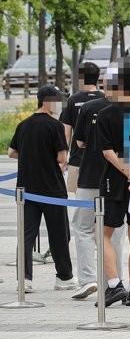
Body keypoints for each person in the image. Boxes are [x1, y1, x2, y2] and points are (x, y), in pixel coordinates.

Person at [7, 85, 76, 292]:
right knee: (59, 234)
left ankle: (24, 279)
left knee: (26, 234)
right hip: (51, 188)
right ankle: (64, 277)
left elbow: (11, 152)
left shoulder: (23, 124)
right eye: (57, 100)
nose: (60, 104)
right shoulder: (54, 126)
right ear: (46, 101)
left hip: (26, 187)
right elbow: (62, 157)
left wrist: (31, 157)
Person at [70, 68, 128, 302]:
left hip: (90, 175)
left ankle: (88, 279)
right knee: (115, 233)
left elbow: (81, 141)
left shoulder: (88, 108)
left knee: (84, 228)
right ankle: (115, 282)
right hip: (118, 180)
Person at [94, 62, 130, 308]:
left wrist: (126, 173)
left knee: (103, 233)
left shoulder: (105, 113)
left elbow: (107, 153)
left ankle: (115, 284)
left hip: (112, 181)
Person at [60, 62, 103, 196]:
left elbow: (66, 133)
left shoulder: (73, 101)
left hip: (78, 159)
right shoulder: (105, 100)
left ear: (81, 78)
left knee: (80, 201)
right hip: (103, 159)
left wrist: (63, 158)